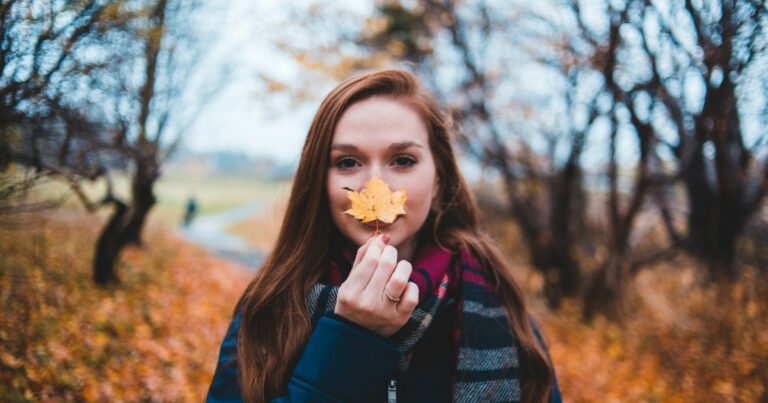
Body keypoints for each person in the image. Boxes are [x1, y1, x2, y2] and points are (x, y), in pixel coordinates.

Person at [206, 69, 562, 403]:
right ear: (319, 181)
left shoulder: (496, 303)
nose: (376, 186)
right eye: (347, 162)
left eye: (403, 160)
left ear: (439, 178)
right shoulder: (272, 307)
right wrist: (349, 341)